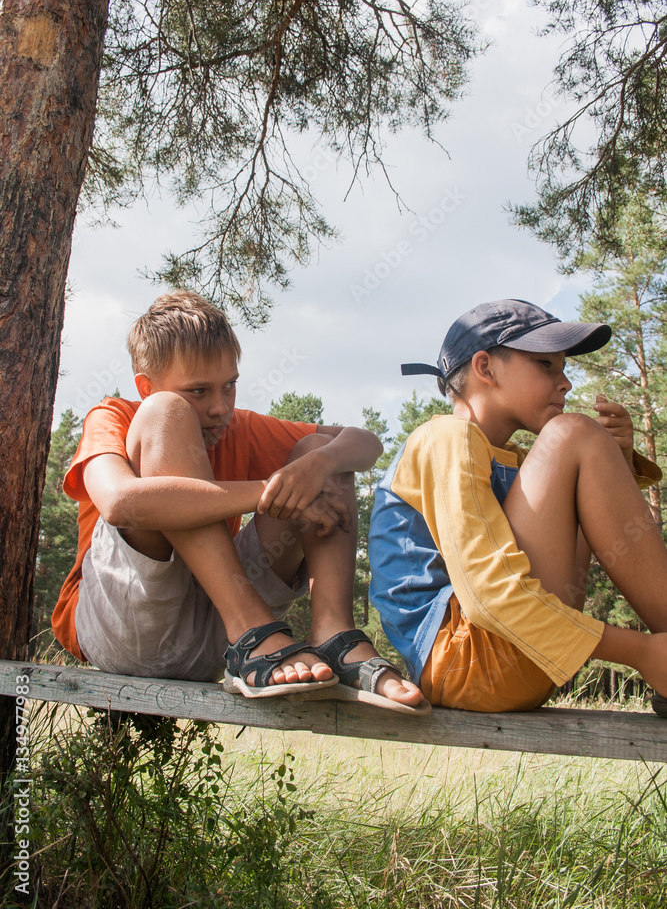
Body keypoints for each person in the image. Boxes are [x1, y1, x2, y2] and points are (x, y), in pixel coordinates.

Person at [52, 290, 428, 713]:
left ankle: (333, 632)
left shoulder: (239, 426)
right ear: (145, 384)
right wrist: (269, 493)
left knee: (321, 451)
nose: (219, 408)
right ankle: (252, 628)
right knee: (165, 414)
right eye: (198, 390)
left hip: (219, 641)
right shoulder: (115, 415)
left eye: (229, 385)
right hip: (129, 630)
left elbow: (365, 442)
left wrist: (319, 463)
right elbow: (120, 503)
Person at [369, 298, 667, 717]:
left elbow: (590, 542)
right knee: (573, 433)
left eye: (564, 369)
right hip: (468, 659)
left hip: (521, 655)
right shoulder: (445, 439)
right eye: (546, 365)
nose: (565, 383)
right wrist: (644, 653)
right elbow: (487, 597)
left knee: (577, 439)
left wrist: (613, 462)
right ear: (485, 368)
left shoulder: (514, 459)